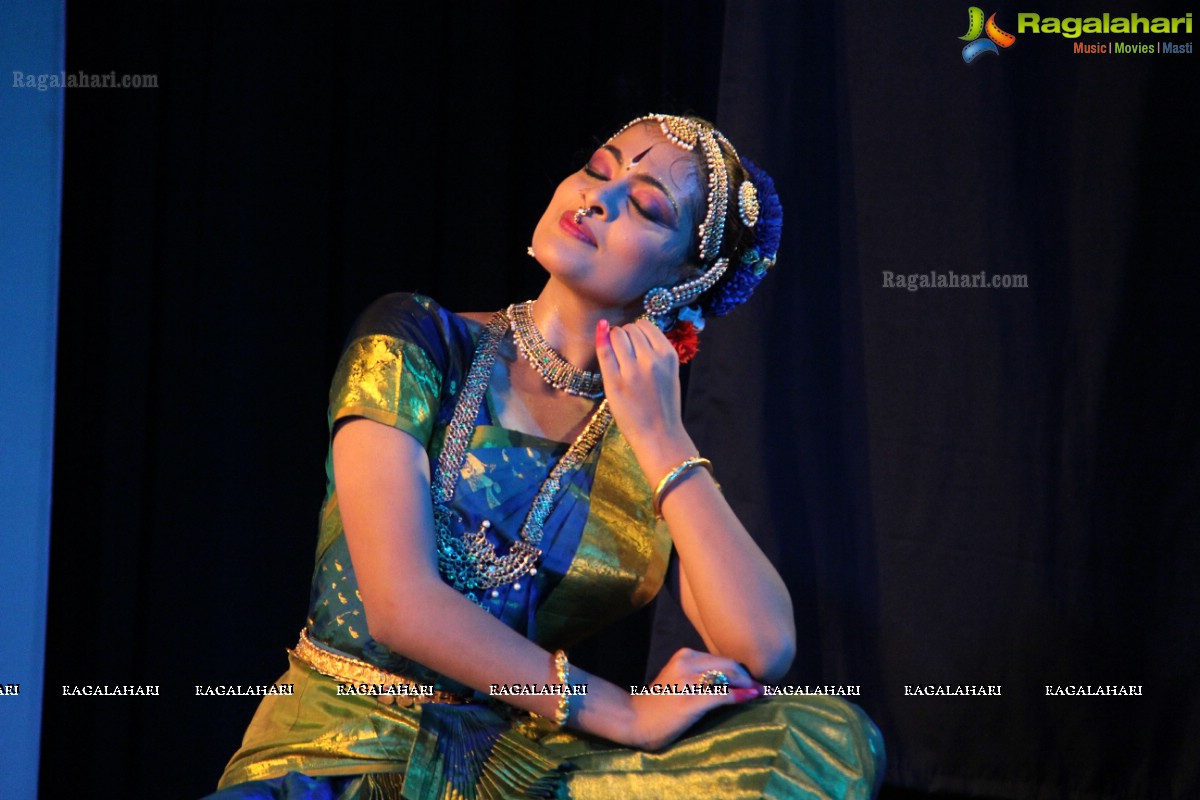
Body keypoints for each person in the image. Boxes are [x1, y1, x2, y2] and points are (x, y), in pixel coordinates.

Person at [207, 114, 883, 799]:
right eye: (598, 167)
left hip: (511, 762)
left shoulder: (638, 439)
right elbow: (396, 605)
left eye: (646, 204)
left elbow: (762, 648)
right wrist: (620, 710)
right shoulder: (418, 339)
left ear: (684, 280)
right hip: (334, 750)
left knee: (826, 737)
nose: (599, 198)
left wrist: (664, 441)